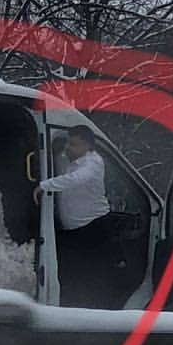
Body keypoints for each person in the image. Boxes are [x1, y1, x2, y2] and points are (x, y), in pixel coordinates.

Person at [33, 125, 117, 308]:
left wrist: (44, 186)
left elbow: (75, 179)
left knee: (93, 278)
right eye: (67, 143)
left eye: (73, 144)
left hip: (94, 229)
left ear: (87, 145)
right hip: (72, 231)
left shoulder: (93, 163)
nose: (68, 148)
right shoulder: (66, 158)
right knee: (71, 275)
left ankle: (96, 313)